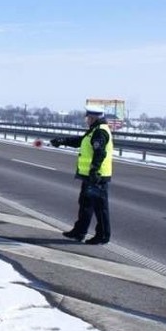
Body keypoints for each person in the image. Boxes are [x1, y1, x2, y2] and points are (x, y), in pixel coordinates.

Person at [50, 105, 113, 245]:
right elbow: (80, 141)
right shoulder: (94, 130)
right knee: (86, 204)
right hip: (89, 176)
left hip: (97, 176)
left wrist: (95, 170)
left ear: (93, 117)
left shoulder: (100, 132)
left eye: (88, 118)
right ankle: (79, 231)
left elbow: (100, 153)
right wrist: (62, 141)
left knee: (100, 207)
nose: (87, 120)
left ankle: (103, 236)